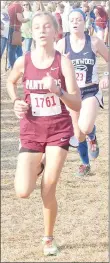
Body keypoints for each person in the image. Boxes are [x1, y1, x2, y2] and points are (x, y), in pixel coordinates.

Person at [7, 11, 81, 256]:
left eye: (46, 26)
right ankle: (38, 164)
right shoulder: (24, 61)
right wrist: (15, 101)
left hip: (58, 130)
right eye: (37, 27)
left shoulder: (64, 62)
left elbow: (77, 103)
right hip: (31, 130)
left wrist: (58, 90)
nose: (41, 30)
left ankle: (48, 238)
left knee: (48, 188)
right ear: (32, 32)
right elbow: (10, 81)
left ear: (55, 31)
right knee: (22, 191)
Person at [56, 8, 109, 176]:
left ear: (84, 21)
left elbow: (108, 60)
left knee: (85, 127)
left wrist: (106, 75)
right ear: (68, 23)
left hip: (91, 90)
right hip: (72, 93)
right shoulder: (62, 44)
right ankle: (85, 164)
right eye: (72, 20)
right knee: (77, 133)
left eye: (79, 19)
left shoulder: (94, 41)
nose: (75, 23)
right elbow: (53, 66)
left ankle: (92, 135)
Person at [8, 1, 30, 68]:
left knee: (16, 49)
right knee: (13, 49)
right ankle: (14, 66)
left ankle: (17, 65)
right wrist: (28, 19)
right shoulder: (18, 6)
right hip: (16, 30)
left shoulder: (10, 6)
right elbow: (20, 19)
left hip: (10, 29)